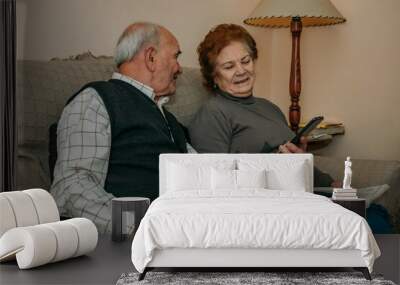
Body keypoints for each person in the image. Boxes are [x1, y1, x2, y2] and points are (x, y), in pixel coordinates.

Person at [50, 22, 193, 233]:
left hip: (184, 232)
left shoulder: (171, 121)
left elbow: (203, 172)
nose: (179, 67)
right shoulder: (97, 99)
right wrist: (147, 229)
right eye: (175, 56)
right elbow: (72, 187)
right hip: (135, 241)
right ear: (151, 57)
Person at [188, 23, 335, 187]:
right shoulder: (213, 113)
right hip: (262, 201)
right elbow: (215, 180)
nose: (241, 71)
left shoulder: (270, 108)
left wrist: (330, 182)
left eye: (245, 61)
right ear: (214, 76)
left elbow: (299, 168)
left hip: (301, 191)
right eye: (229, 66)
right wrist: (277, 166)